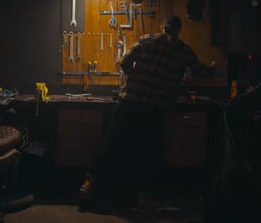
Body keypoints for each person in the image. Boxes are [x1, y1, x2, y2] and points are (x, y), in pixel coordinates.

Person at [78, 14, 215, 212]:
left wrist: (134, 77)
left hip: (128, 102)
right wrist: (212, 69)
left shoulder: (146, 39)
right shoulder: (183, 50)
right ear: (178, 30)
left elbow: (124, 61)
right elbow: (199, 72)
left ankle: (88, 185)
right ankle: (145, 199)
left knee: (110, 144)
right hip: (154, 108)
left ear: (162, 26)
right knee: (149, 152)